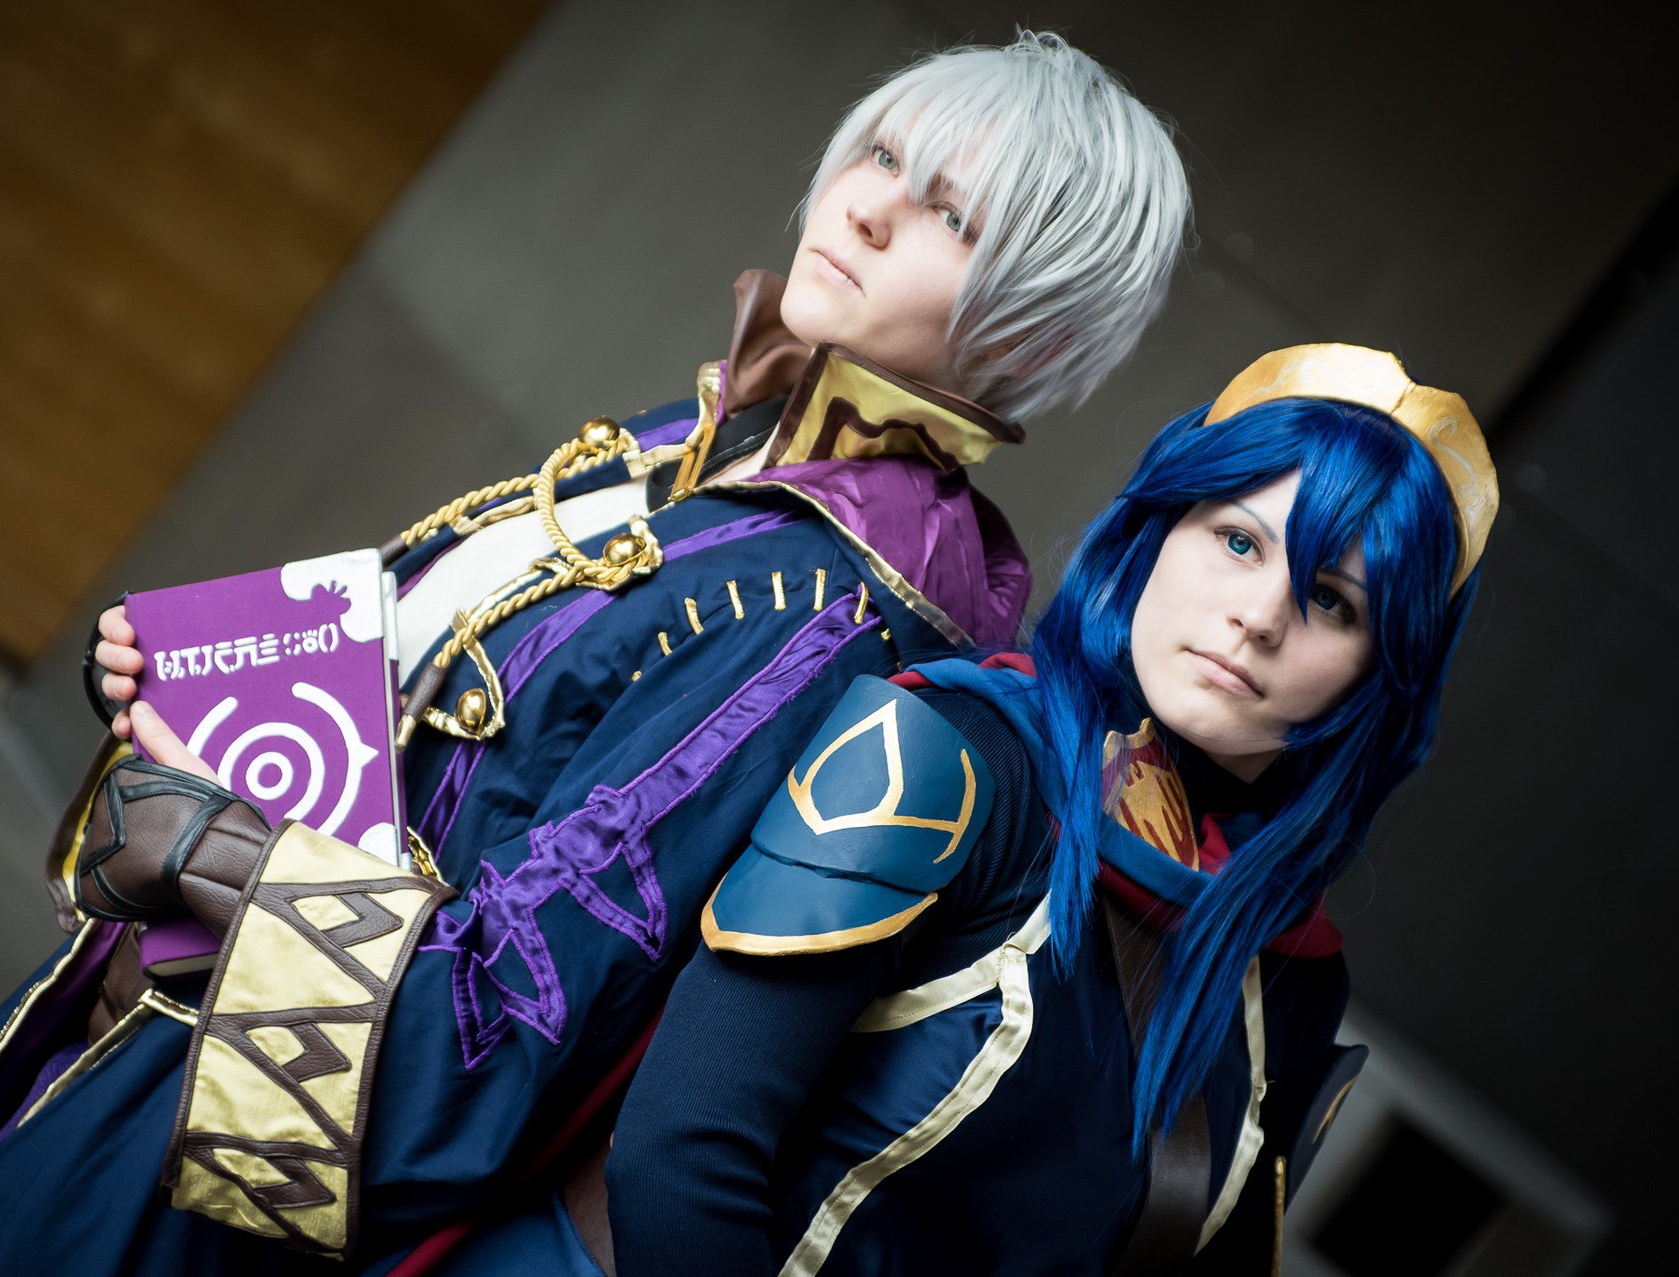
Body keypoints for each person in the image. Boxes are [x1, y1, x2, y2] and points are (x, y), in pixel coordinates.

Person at [0, 31, 1188, 1277]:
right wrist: (195, 696)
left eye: (950, 216)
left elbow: (516, 1018)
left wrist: (214, 841)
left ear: (1034, 329)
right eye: (880, 154)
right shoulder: (717, 444)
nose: (869, 207)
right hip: (155, 1020)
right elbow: (419, 704)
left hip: (255, 1135)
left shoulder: (836, 606)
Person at [592, 344, 1498, 1275]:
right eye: (1240, 542)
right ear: (1158, 530)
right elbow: (682, 1153)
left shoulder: (1292, 975)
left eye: (1332, 600)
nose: (1261, 617)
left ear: (1376, 675)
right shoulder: (955, 753)